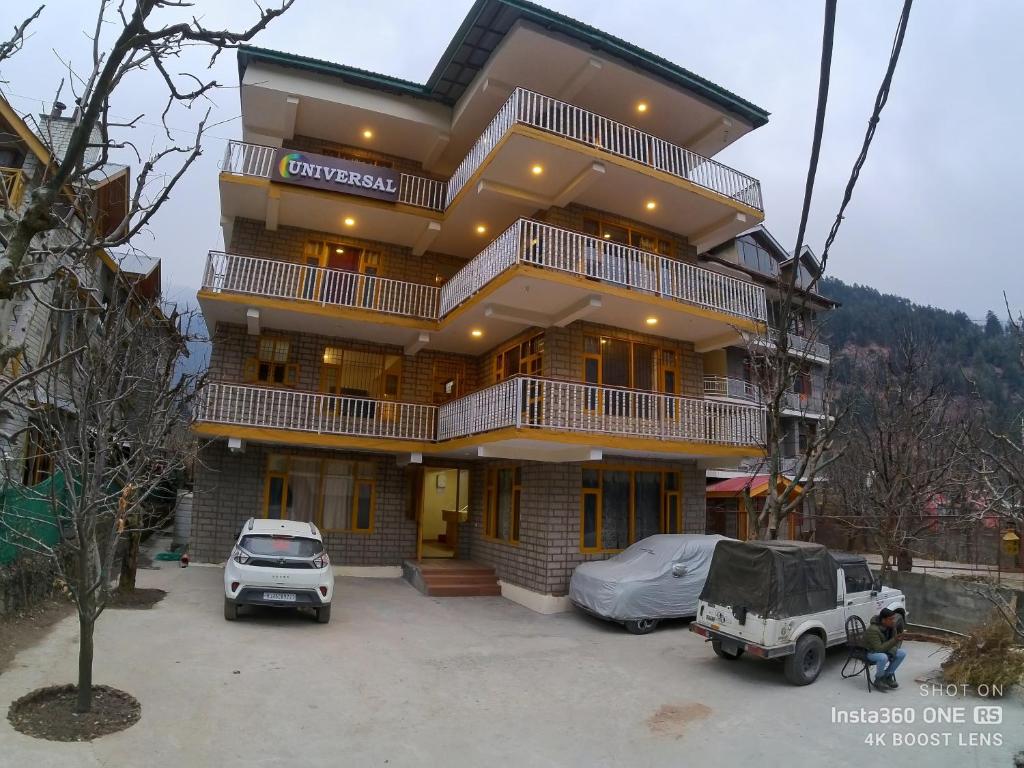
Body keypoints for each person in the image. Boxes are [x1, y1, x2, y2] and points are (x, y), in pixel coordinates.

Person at [863, 607, 906, 690]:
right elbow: (878, 649)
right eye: (890, 619)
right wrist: (895, 640)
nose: (893, 621)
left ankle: (887, 676)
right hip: (871, 652)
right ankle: (878, 679)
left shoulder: (890, 626)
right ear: (883, 620)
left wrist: (895, 641)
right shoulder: (873, 630)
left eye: (893, 619)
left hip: (884, 649)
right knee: (883, 657)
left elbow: (894, 644)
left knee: (902, 653)